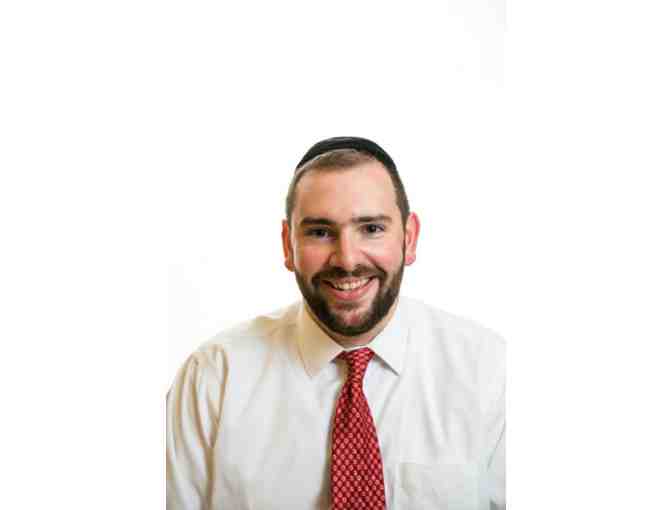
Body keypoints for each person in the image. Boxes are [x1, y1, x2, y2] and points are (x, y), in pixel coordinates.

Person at [166, 136, 506, 510]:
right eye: (319, 232)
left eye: (371, 228)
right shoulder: (214, 378)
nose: (346, 259)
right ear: (288, 245)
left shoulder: (489, 373)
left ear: (409, 239)